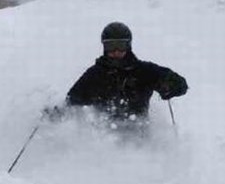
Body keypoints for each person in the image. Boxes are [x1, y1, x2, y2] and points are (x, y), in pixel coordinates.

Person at [46, 22, 188, 131]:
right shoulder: (94, 75)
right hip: (106, 142)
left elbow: (180, 84)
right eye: (110, 46)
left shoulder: (144, 71)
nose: (116, 51)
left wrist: (170, 86)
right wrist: (54, 115)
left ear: (128, 46)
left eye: (120, 45)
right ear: (104, 47)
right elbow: (73, 101)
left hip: (141, 140)